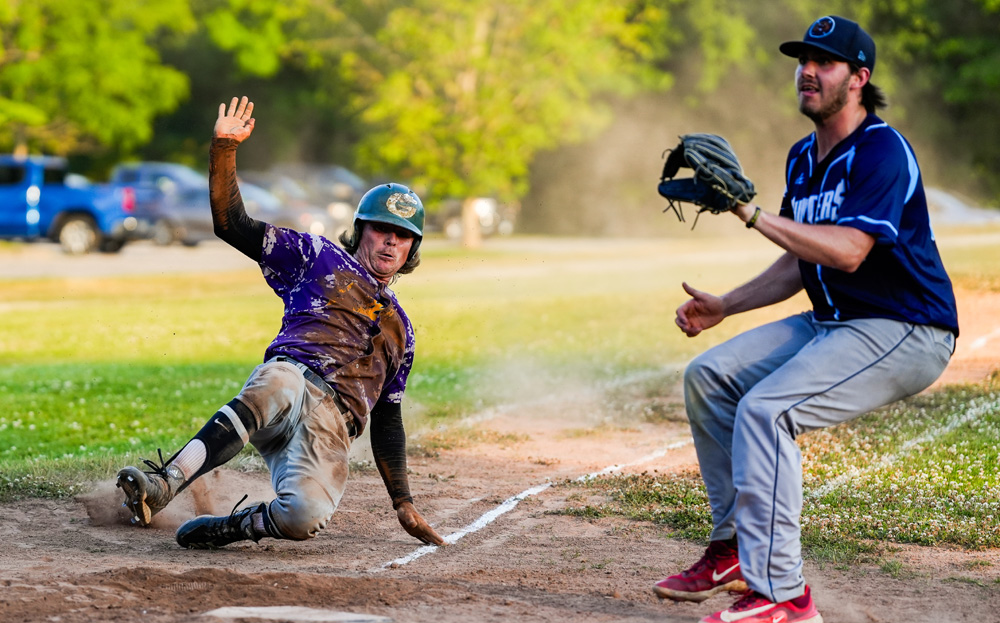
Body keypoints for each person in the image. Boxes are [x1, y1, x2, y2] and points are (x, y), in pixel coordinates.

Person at [652, 16, 958, 623]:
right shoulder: (802, 158)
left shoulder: (881, 150)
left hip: (905, 327)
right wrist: (727, 304)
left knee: (768, 411)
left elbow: (847, 251)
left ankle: (785, 597)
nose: (808, 71)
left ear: (860, 78)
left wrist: (748, 211)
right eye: (803, 60)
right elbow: (801, 259)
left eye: (826, 62)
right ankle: (735, 549)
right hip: (836, 323)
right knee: (710, 378)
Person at [116, 96, 444, 550]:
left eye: (404, 235)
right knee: (280, 383)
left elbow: (388, 418)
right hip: (290, 385)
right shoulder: (316, 255)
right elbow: (231, 223)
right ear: (361, 229)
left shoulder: (401, 331)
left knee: (305, 516)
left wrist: (404, 503)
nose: (391, 241)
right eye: (381, 229)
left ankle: (228, 527)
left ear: (413, 248)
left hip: (332, 427)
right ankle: (166, 481)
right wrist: (224, 149)